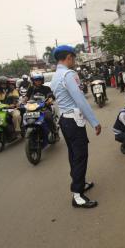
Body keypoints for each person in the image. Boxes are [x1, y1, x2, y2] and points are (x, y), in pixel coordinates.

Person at [51, 45, 101, 209]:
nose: (75, 61)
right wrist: (94, 121)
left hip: (65, 120)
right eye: (74, 58)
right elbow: (80, 100)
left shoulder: (56, 75)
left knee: (74, 154)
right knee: (80, 156)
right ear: (69, 58)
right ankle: (77, 195)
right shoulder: (69, 74)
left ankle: (79, 182)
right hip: (74, 120)